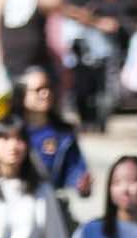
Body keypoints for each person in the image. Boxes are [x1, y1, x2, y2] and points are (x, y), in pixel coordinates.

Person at [15, 63, 92, 207]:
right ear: (22, 94)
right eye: (38, 90)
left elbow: (74, 168)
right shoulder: (11, 133)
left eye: (48, 88)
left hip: (52, 207)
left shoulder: (64, 134)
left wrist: (81, 183)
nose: (46, 94)